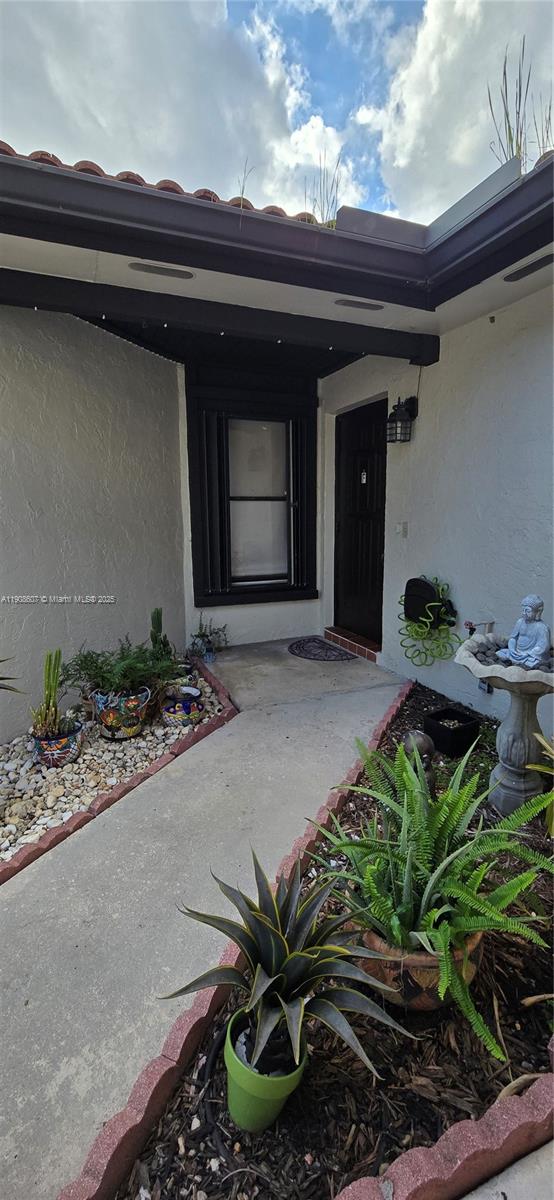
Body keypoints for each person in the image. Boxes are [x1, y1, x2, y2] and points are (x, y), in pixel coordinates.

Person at [496, 595, 551, 670]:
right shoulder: (520, 622)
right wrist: (512, 649)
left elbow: (542, 646)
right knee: (499, 653)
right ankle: (515, 660)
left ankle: (517, 662)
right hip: (516, 653)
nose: (524, 613)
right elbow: (513, 638)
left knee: (533, 663)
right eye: (523, 610)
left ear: (537, 612)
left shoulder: (541, 627)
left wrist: (528, 654)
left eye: (528, 611)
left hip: (530, 656)